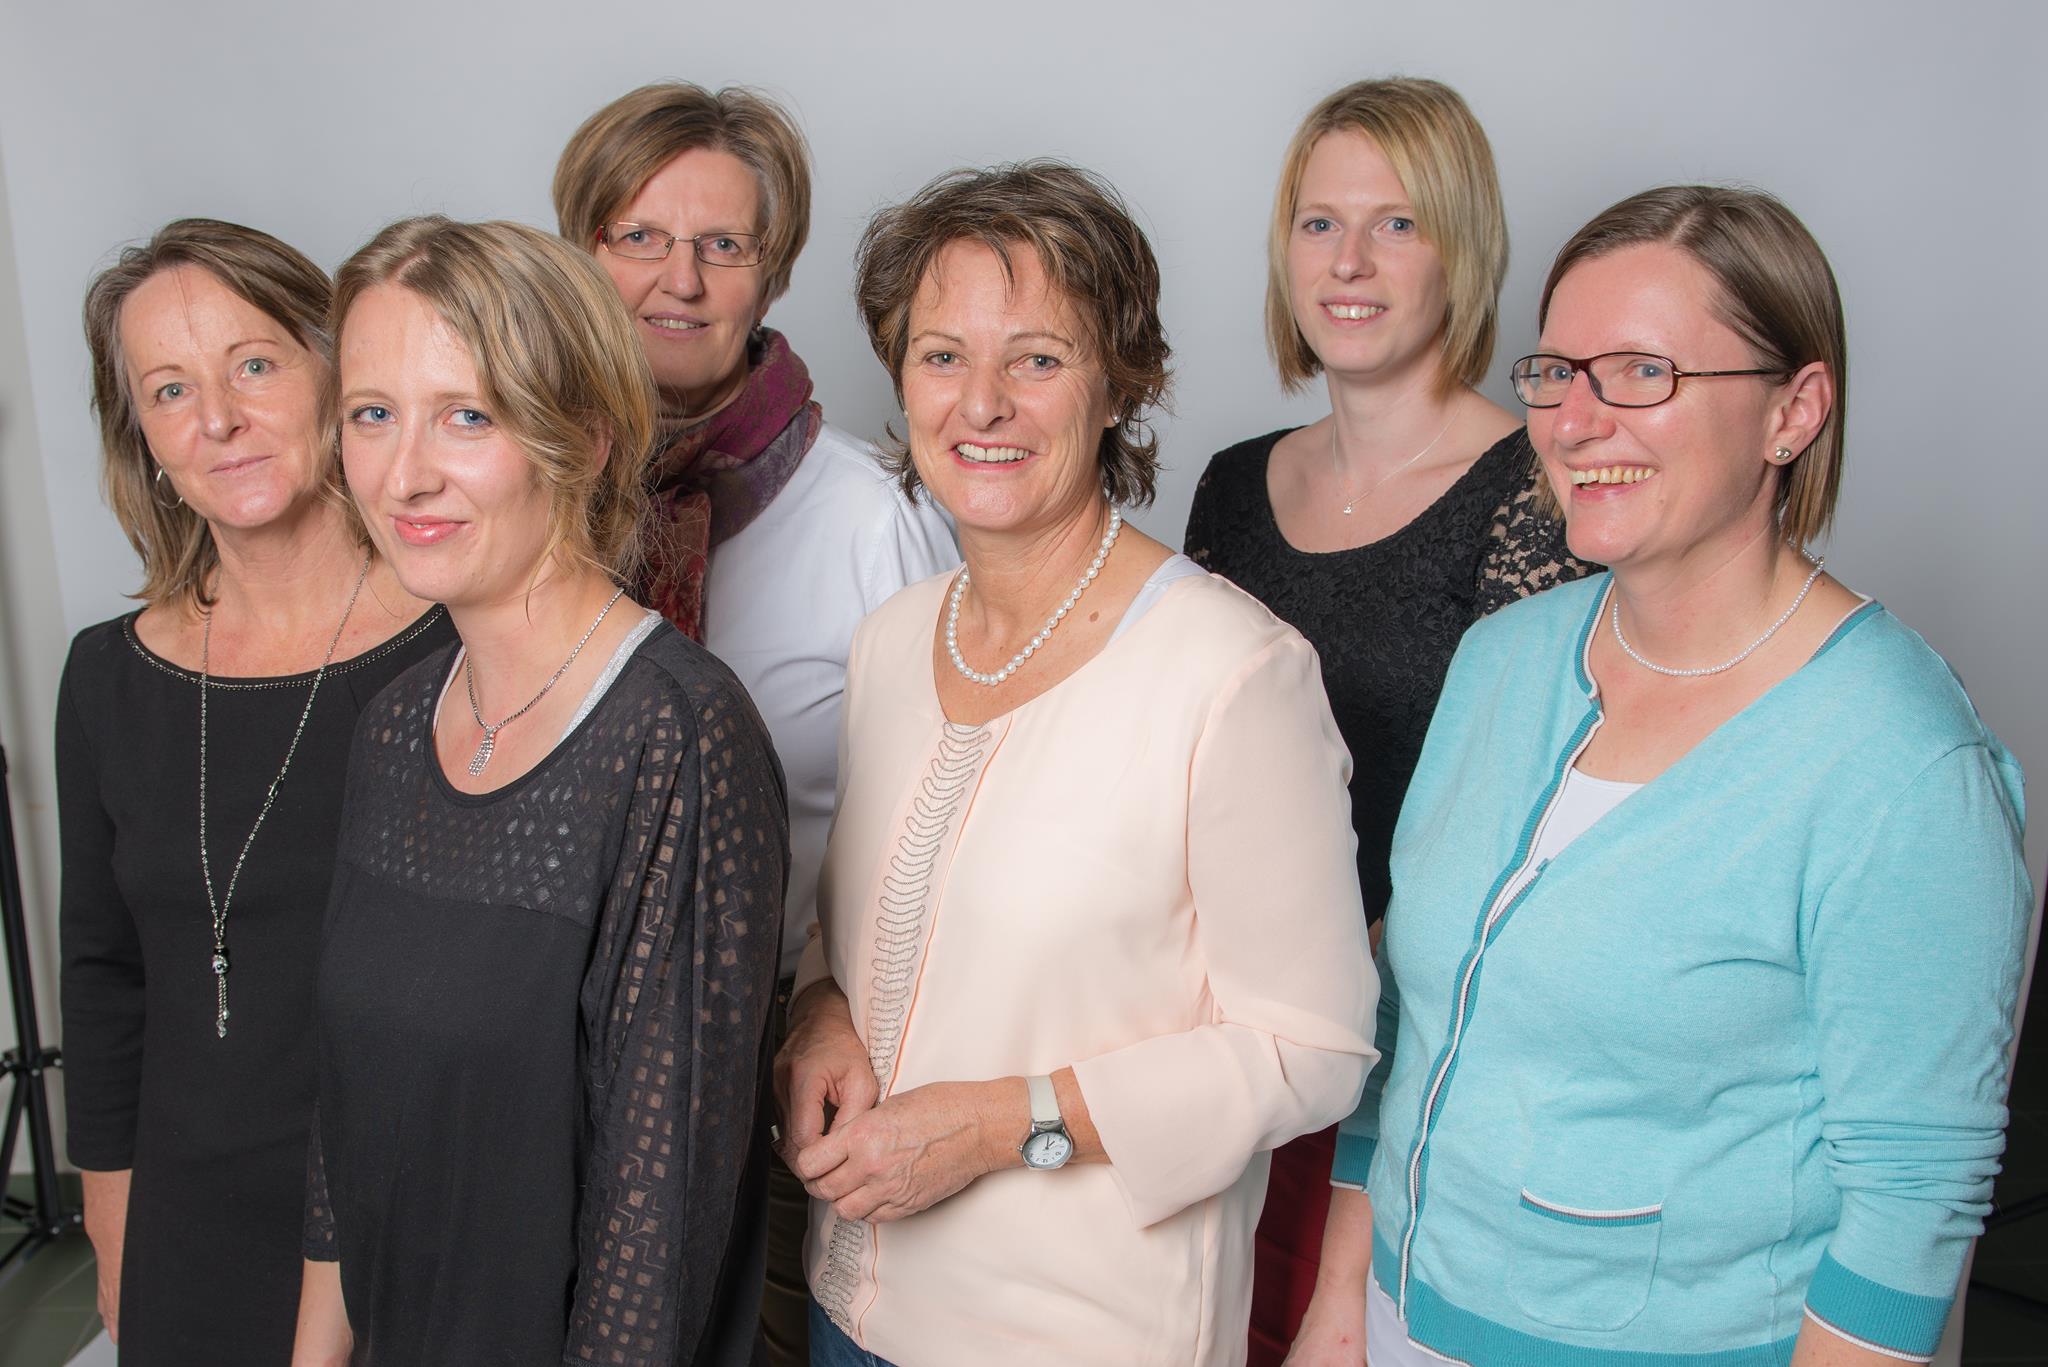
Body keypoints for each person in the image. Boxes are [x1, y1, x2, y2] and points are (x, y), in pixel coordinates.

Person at [1289, 187, 2032, 1366]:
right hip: (1397, 1318)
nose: (1575, 423)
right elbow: (1407, 1020)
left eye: (1642, 372)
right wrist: (1340, 1304)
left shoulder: (1899, 762)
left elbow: (1910, 1191)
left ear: (1792, 410)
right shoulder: (1502, 659)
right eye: (1556, 373)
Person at [776, 161, 1378, 1367]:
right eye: (941, 355)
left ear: (1118, 385)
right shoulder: (893, 639)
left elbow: (1311, 1048)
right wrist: (818, 1015)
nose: (981, 402)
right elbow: (851, 931)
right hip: (845, 1308)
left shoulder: (1231, 673)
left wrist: (1000, 1125)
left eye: (1037, 359)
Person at [289, 216, 788, 1367]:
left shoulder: (676, 738)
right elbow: (346, 1122)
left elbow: (653, 1239)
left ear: (588, 438)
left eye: (468, 415)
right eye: (372, 413)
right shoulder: (393, 724)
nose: (404, 472)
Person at [1181, 78, 1591, 1362]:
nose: (1347, 261)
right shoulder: (1231, 484)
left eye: (1395, 223)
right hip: (1215, 1034)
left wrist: (1314, 979)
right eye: (1318, 223)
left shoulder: (1538, 494)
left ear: (1460, 249)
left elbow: (1521, 831)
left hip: (1403, 1056)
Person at [552, 88, 956, 1361]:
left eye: (721, 244)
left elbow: (939, 816)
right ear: (579, 252)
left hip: (787, 1053)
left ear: (770, 272)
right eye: (638, 236)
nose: (679, 279)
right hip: (553, 1049)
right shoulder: (521, 492)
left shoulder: (871, 515)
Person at [57, 219, 448, 1364]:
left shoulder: (459, 645)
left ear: (335, 370)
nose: (217, 419)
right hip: (188, 1223)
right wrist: (116, 1236)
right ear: (142, 434)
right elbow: (103, 976)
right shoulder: (105, 675)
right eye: (170, 389)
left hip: (410, 1216)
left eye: (254, 364)